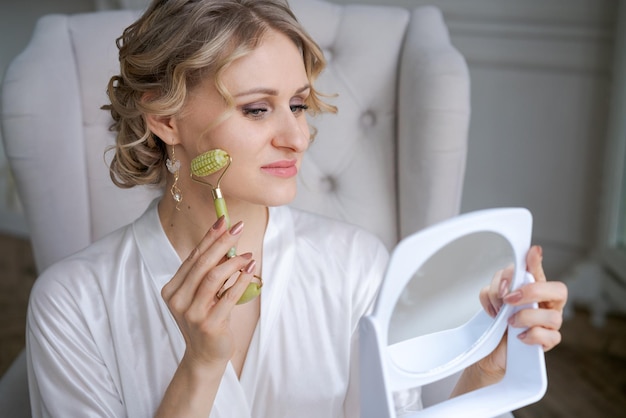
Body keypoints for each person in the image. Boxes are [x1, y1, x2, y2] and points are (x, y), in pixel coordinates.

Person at [25, 0, 568, 417]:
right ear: (166, 120)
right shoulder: (72, 304)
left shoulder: (354, 264)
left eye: (299, 105)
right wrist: (200, 367)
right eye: (258, 109)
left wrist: (488, 370)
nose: (298, 137)